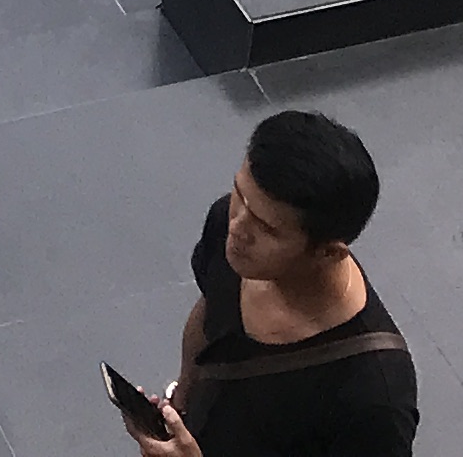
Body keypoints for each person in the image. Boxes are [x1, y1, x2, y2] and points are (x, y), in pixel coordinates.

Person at [111, 108, 415, 457]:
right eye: (240, 195)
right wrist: (179, 407)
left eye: (266, 228)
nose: (238, 228)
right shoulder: (228, 227)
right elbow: (210, 311)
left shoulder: (375, 398)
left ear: (328, 253)